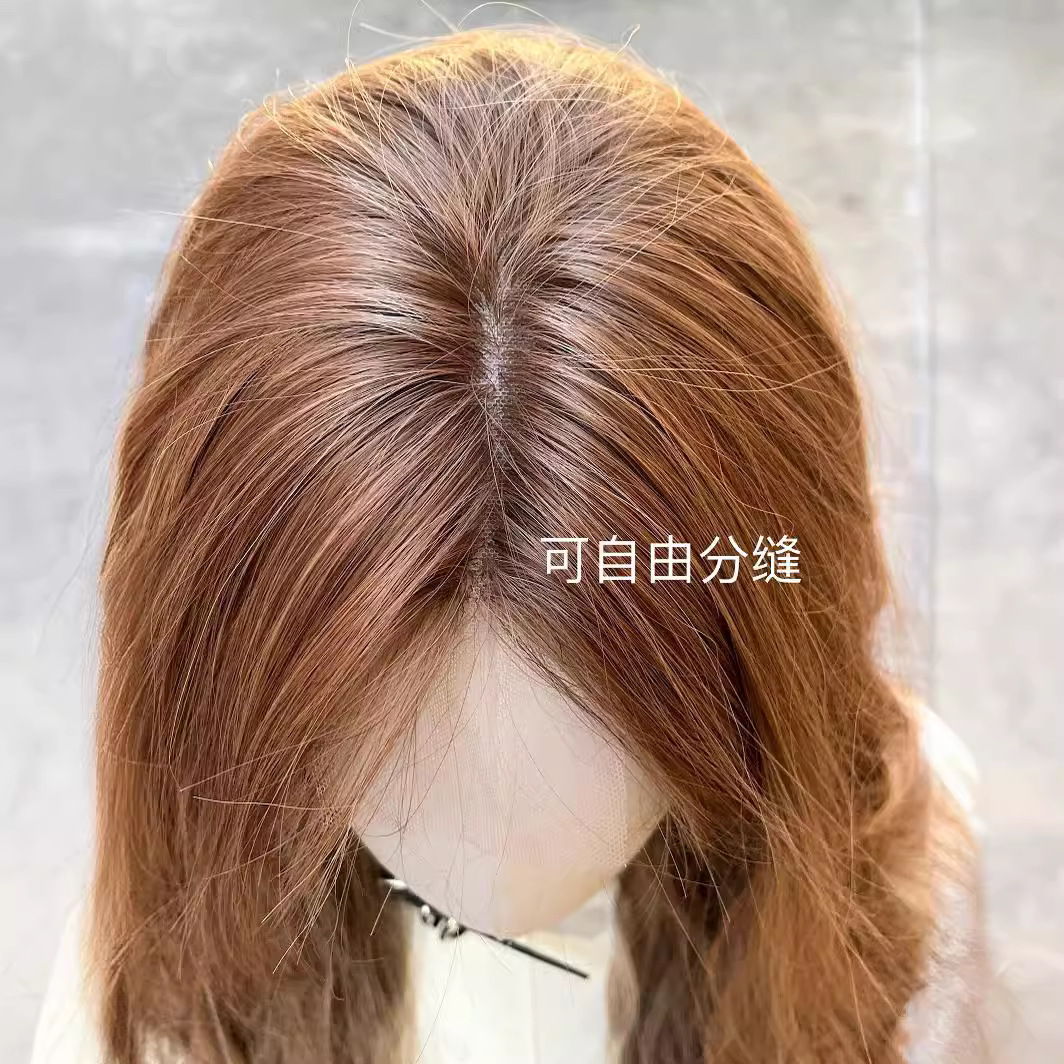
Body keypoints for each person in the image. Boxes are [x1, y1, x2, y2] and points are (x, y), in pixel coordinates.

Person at [32, 27, 988, 1064]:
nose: (479, 869)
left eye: (627, 740)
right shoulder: (173, 969)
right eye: (389, 765)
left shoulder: (888, 890)